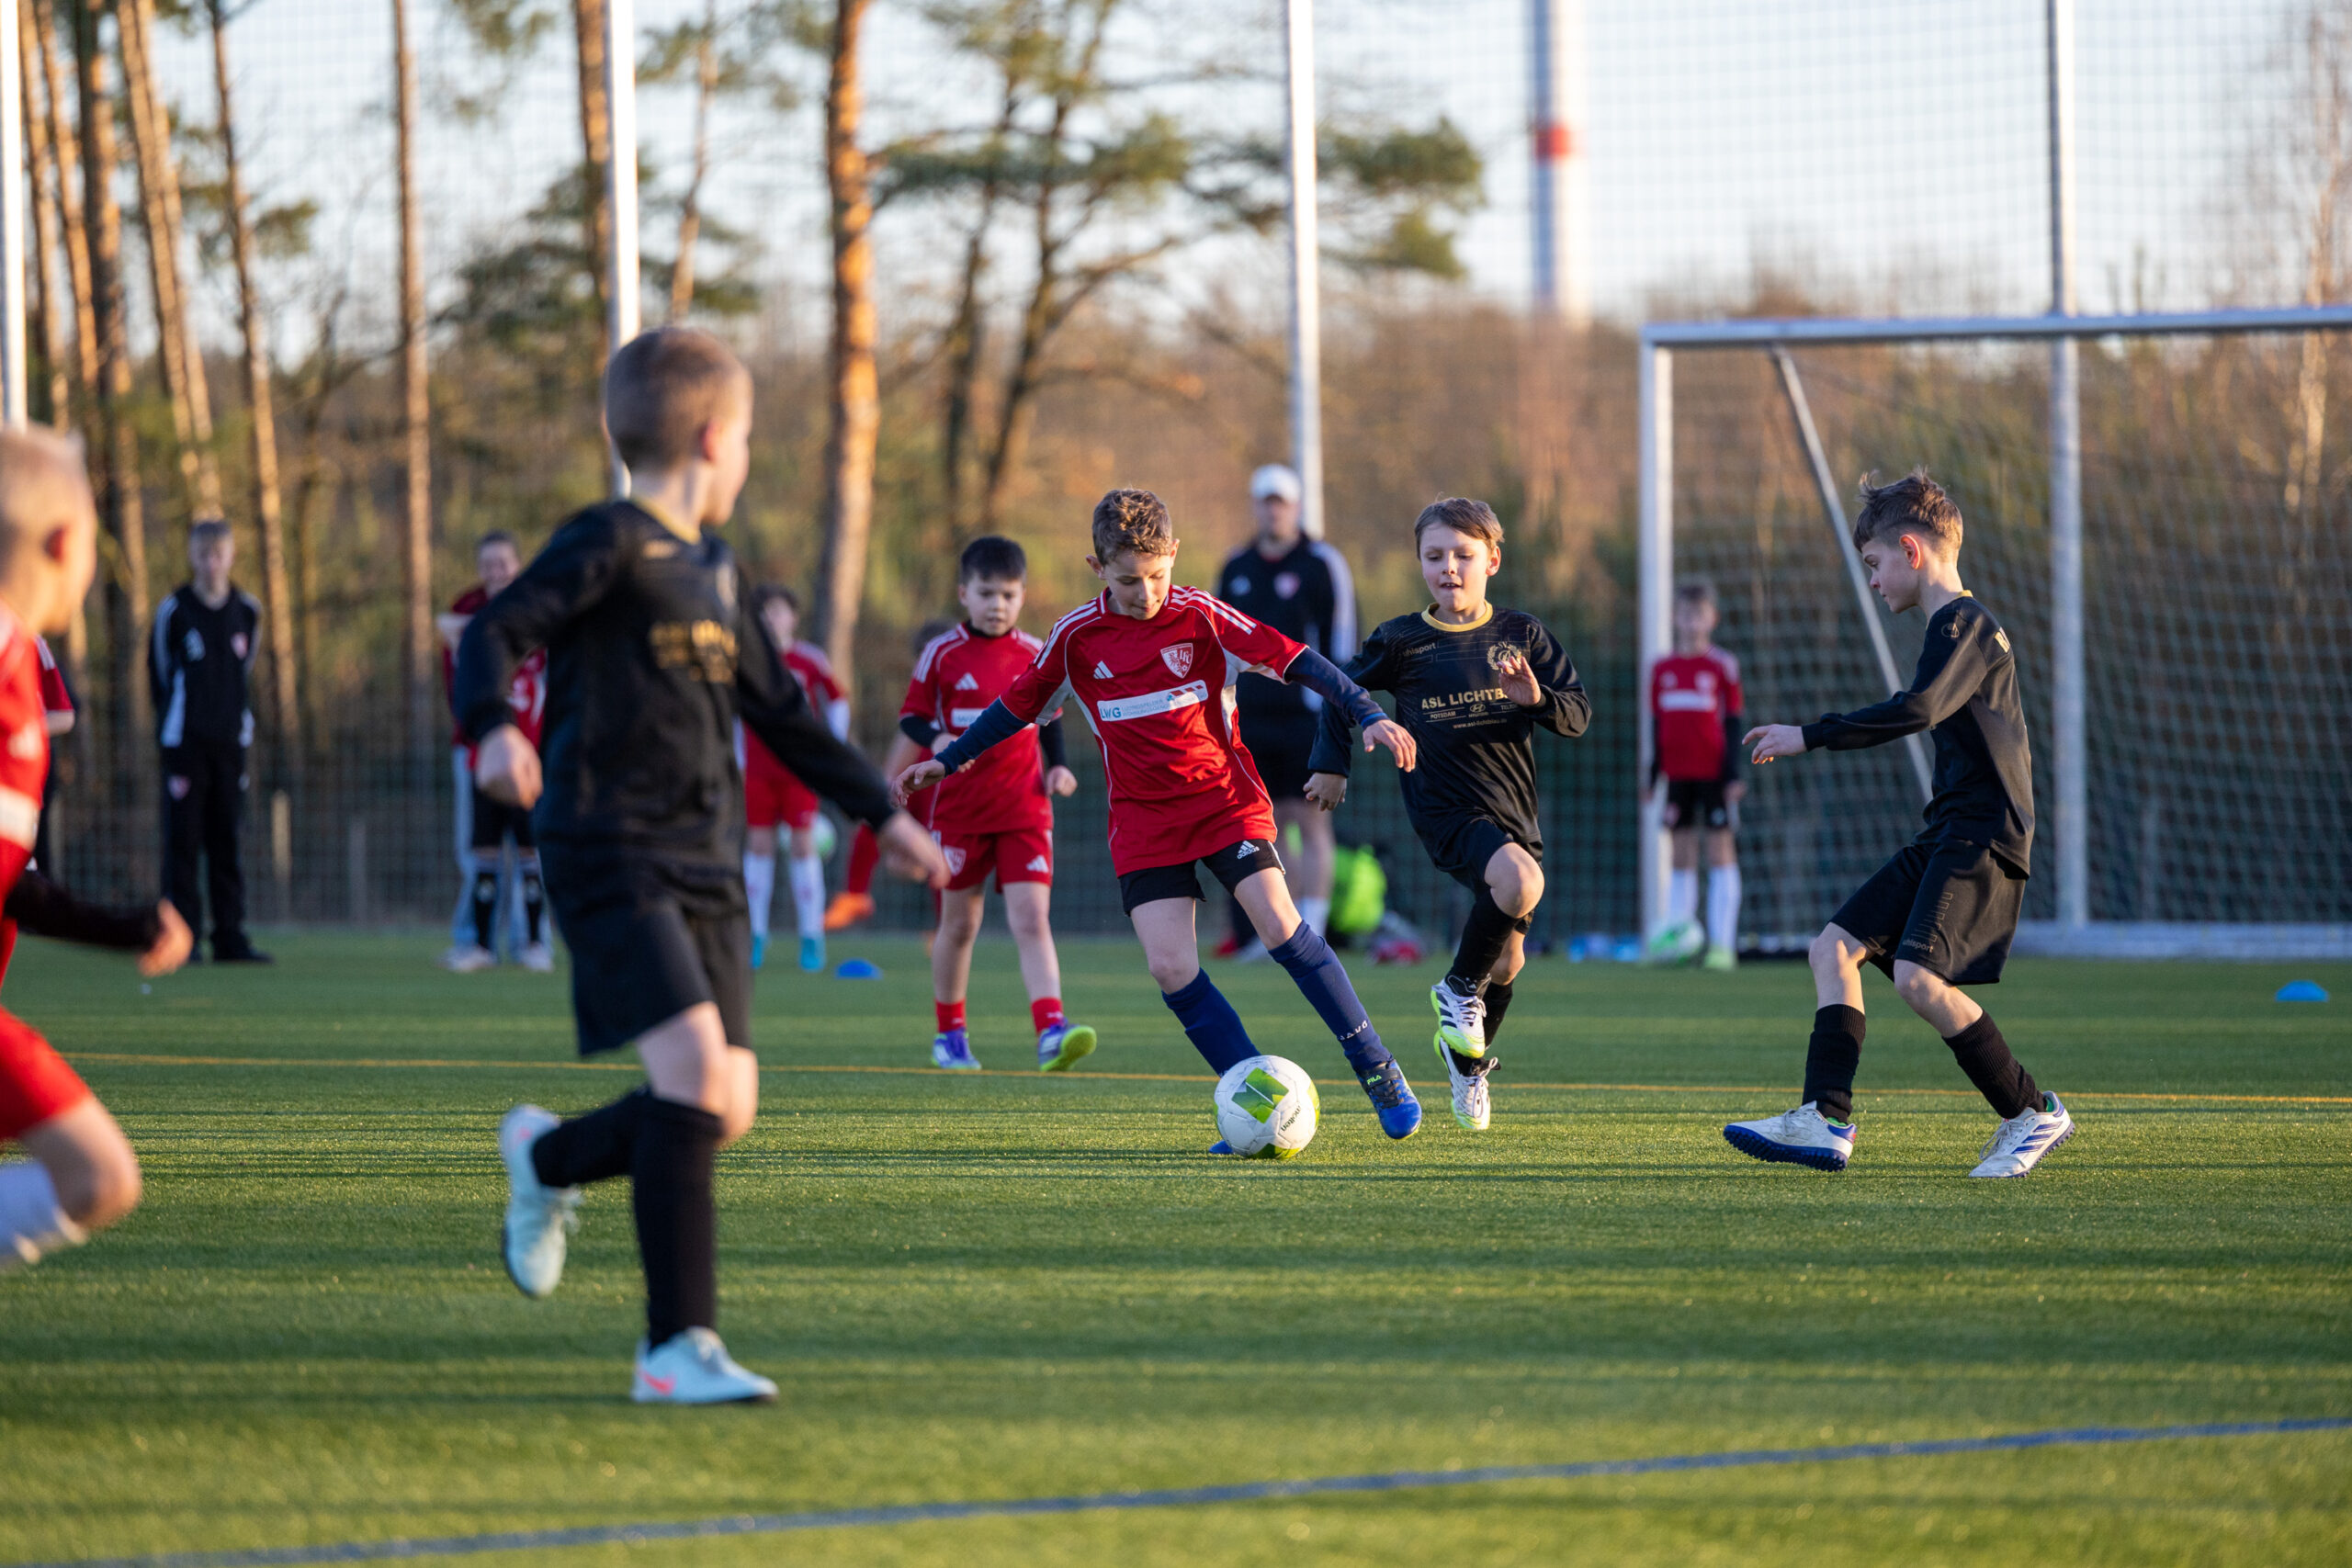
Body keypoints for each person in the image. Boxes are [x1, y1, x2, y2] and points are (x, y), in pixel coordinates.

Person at [458, 327, 947, 1403]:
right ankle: (674, 1349)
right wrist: (493, 727)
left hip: (707, 863)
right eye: (750, 439)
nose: (746, 458)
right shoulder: (608, 542)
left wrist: (882, 812)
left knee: (724, 1105)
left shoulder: (719, 571)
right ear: (717, 438)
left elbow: (784, 714)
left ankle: (544, 1162)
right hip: (609, 847)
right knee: (689, 1076)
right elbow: (492, 632)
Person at [895, 487, 1426, 1147]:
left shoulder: (1203, 617)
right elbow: (1014, 706)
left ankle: (1377, 1067)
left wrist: (1367, 712)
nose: (1145, 593)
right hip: (1143, 823)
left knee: (1280, 924)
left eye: (1156, 575)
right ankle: (1255, 1101)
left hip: (1223, 802)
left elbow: (1301, 660)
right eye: (1127, 581)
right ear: (1097, 568)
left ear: (1173, 553)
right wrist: (948, 761)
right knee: (1171, 967)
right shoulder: (1075, 638)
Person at [1724, 470, 2073, 1179]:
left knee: (1916, 977)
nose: (1875, 580)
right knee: (1833, 948)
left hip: (1983, 833)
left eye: (1875, 563)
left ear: (1911, 551)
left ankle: (2031, 1111)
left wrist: (1809, 734)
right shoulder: (1948, 628)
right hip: (1948, 830)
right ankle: (1824, 1118)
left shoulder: (1966, 624)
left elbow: (1918, 709)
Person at [1307, 498, 1590, 1133]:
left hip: (1513, 812)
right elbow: (1338, 688)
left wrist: (1536, 698)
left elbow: (1577, 715)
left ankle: (1466, 1065)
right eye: (1434, 556)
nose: (1449, 568)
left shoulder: (1522, 635)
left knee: (1509, 963)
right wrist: (1332, 764)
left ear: (1493, 560)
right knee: (1520, 882)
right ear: (1420, 563)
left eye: (1463, 555)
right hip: (1444, 808)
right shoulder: (1402, 641)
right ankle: (1457, 990)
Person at [0, 425, 193, 1272]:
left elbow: (12, 879)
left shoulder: (18, 661)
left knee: (99, 1177)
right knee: (97, 1176)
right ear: (63, 543)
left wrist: (122, 927)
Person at [899, 536, 1091, 1073]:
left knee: (1032, 919)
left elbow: (1050, 717)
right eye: (986, 594)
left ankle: (1052, 1031)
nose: (997, 605)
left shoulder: (1035, 653)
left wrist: (1058, 766)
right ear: (964, 593)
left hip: (1024, 808)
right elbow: (911, 717)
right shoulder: (942, 653)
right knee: (960, 925)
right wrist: (937, 737)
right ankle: (950, 1035)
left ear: (1023, 596)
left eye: (1008, 595)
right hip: (959, 811)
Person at [1214, 463, 1357, 957]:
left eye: (1281, 502)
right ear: (1255, 507)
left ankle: (1314, 931)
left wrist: (1340, 708)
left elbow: (1340, 640)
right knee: (1266, 827)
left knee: (1310, 820)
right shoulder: (1236, 566)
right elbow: (1218, 641)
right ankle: (1285, 932)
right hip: (1249, 719)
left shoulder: (1321, 563)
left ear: (1295, 508)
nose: (1273, 511)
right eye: (1265, 502)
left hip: (1306, 718)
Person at [148, 518, 268, 964]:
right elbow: (160, 673)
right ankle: (182, 939)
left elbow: (245, 670)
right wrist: (175, 726)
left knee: (227, 840)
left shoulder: (248, 610)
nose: (211, 564)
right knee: (182, 842)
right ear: (192, 557)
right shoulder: (174, 611)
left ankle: (230, 937)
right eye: (203, 555)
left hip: (230, 745)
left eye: (218, 555)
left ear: (231, 556)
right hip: (186, 745)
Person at [438, 533, 550, 973]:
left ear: (517, 566)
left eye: (503, 563)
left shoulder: (539, 620)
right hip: (481, 757)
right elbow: (446, 631)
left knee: (531, 853)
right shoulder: (471, 619)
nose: (496, 572)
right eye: (488, 564)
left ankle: (534, 942)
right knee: (482, 852)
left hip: (530, 759)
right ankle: (479, 943)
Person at [739, 584, 848, 975]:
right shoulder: (745, 659)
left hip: (798, 768)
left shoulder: (808, 659)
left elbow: (837, 699)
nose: (771, 619)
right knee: (758, 845)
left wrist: (831, 746)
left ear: (793, 618)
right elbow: (733, 712)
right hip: (758, 769)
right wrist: (737, 757)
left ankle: (811, 937)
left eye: (779, 611)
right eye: (764, 612)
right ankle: (755, 935)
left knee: (803, 845)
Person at [825, 620, 956, 938]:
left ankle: (944, 927)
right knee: (875, 817)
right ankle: (855, 895)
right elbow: (907, 737)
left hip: (946, 782)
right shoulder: (921, 695)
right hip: (913, 778)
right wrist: (887, 781)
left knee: (940, 849)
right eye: (925, 658)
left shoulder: (967, 692)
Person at [1645, 579, 1747, 971]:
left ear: (1712, 619)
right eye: (1685, 615)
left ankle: (1722, 946)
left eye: (1698, 615)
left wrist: (1733, 775)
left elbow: (1733, 721)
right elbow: (1658, 725)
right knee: (1681, 855)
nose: (1691, 623)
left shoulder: (1722, 666)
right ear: (1675, 617)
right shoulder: (1662, 669)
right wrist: (1653, 775)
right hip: (1677, 775)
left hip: (1714, 775)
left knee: (1720, 851)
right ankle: (1681, 942)